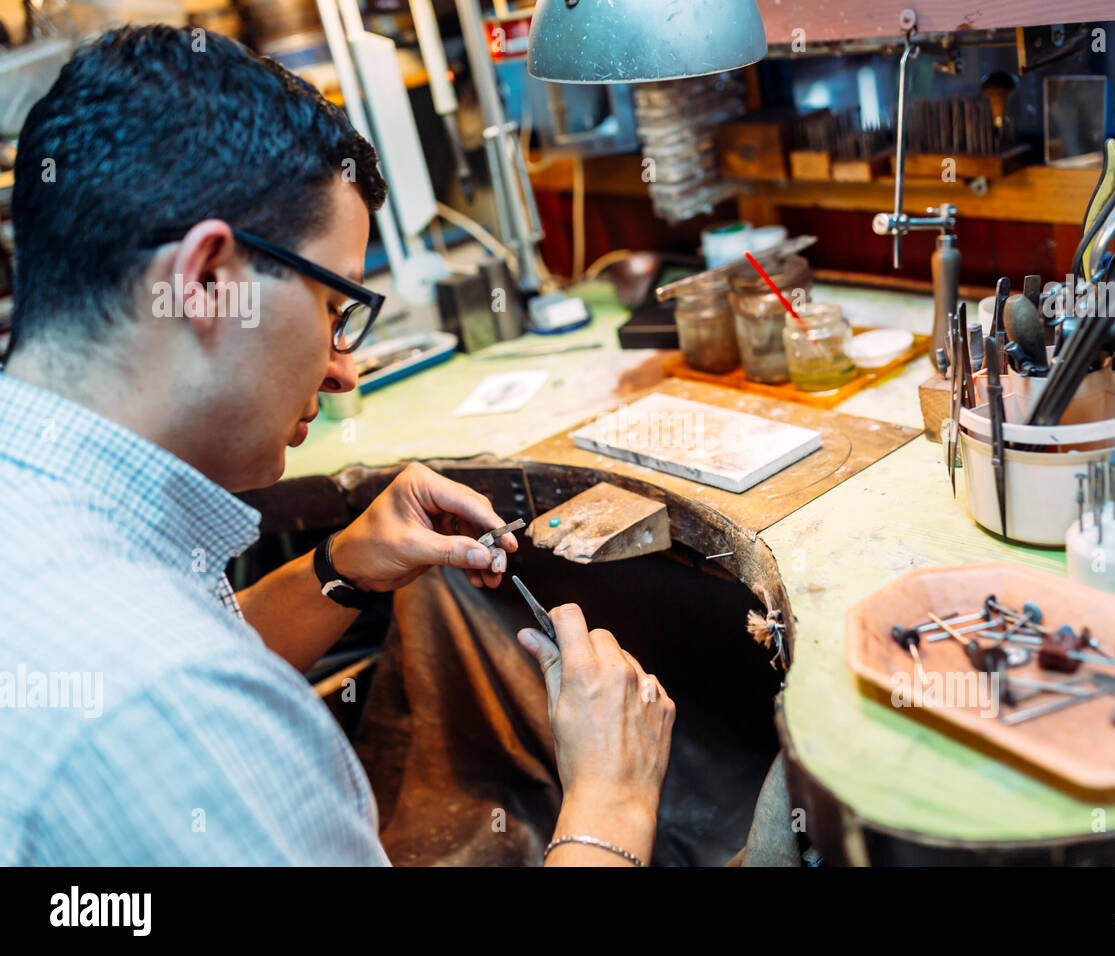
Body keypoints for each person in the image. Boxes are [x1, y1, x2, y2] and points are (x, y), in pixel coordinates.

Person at [0, 24, 673, 866]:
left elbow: (204, 634)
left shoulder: (53, 511)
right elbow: (185, 679)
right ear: (208, 281)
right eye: (332, 311)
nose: (344, 371)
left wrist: (341, 568)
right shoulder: (174, 706)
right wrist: (612, 801)